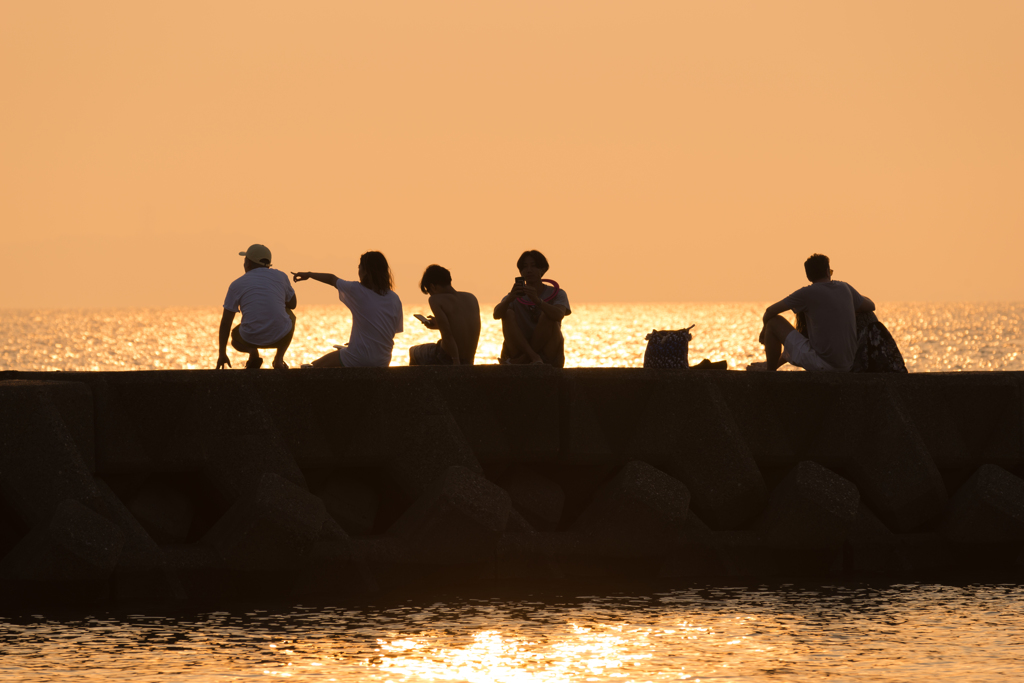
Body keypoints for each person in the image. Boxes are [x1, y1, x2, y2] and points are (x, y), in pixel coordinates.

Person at [752, 253, 875, 372]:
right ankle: (769, 367)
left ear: (808, 277)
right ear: (827, 272)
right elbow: (870, 305)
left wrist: (764, 330)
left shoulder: (806, 293)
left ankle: (769, 373)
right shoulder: (845, 288)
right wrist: (854, 296)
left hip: (824, 365)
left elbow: (770, 311)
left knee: (773, 322)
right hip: (848, 365)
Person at [291, 251, 402, 368]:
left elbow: (331, 279)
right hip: (383, 361)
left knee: (315, 366)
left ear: (366, 271)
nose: (358, 271)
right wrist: (360, 343)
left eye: (360, 267)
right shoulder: (394, 299)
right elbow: (388, 331)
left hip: (358, 358)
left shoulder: (357, 290)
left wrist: (309, 274)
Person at [217, 244, 297, 370]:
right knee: (289, 314)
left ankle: (253, 353)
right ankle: (279, 360)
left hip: (250, 338)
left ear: (248, 263)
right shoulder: (281, 276)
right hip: (280, 336)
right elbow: (293, 304)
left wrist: (222, 353)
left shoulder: (237, 284)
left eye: (244, 261)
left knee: (234, 338)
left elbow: (226, 322)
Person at [493, 250, 570, 367]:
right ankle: (533, 357)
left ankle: (525, 359)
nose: (528, 270)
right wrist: (509, 299)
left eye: (533, 266)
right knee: (507, 313)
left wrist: (538, 301)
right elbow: (496, 314)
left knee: (547, 315)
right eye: (524, 267)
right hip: (518, 350)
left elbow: (559, 314)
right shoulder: (514, 295)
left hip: (548, 352)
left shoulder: (557, 293)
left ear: (542, 270)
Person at [409, 265, 481, 366]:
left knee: (413, 352)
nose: (431, 295)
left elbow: (447, 334)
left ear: (433, 287)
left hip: (447, 357)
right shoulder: (471, 298)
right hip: (468, 359)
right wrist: (438, 324)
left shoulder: (435, 300)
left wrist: (456, 362)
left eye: (429, 292)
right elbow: (466, 329)